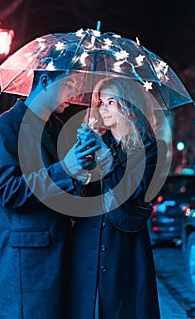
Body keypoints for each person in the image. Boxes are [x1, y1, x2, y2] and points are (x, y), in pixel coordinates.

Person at [0, 69, 100, 319]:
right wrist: (65, 168)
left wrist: (87, 163)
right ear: (45, 81)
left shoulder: (56, 129)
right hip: (27, 269)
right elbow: (8, 193)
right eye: (69, 85)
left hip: (61, 258)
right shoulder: (5, 128)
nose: (75, 93)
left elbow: (69, 193)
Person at [68, 76, 167, 319]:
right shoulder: (97, 143)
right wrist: (81, 155)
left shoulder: (151, 149)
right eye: (101, 102)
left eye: (111, 101)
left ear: (130, 106)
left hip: (125, 247)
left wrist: (102, 153)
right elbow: (78, 196)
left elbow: (133, 190)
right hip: (87, 244)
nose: (103, 108)